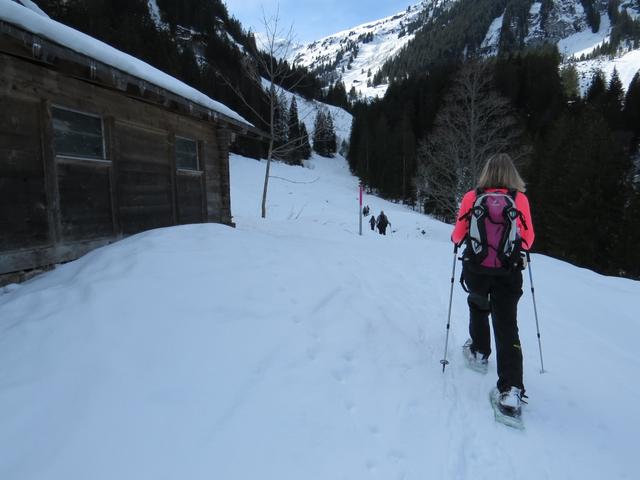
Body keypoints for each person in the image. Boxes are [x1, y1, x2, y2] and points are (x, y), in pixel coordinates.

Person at [451, 153, 535, 414]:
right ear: (512, 174)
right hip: (508, 271)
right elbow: (529, 239)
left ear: (486, 172)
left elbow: (457, 235)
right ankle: (511, 390)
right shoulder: (519, 199)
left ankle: (479, 351)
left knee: (478, 306)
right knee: (507, 323)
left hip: (477, 268)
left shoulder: (471, 197)